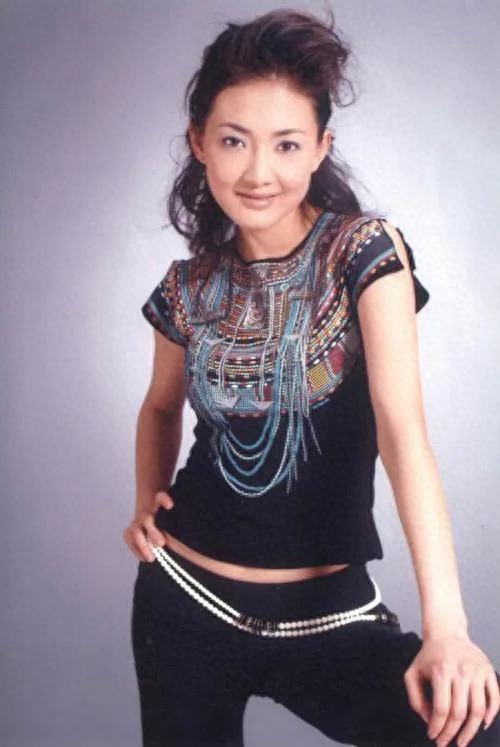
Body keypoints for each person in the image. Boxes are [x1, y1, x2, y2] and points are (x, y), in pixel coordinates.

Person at [124, 8, 500, 747]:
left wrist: (448, 629)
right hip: (183, 601)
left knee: (475, 730)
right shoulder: (186, 287)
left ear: (321, 147)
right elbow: (160, 405)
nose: (258, 171)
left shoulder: (364, 253)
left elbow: (403, 433)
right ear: (200, 142)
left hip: (330, 617)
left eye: (287, 143)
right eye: (233, 140)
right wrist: (146, 500)